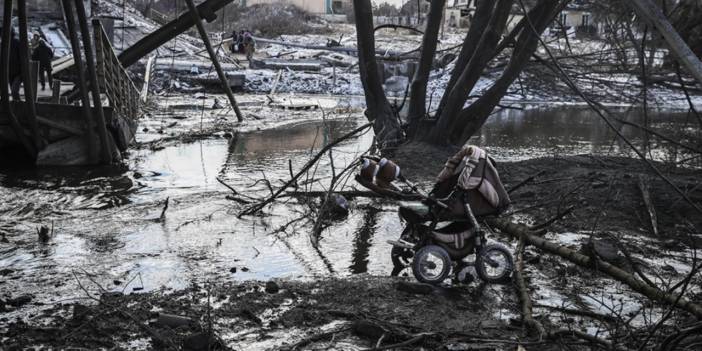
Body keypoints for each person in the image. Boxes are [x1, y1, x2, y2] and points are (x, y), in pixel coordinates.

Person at [9, 28, 22, 100]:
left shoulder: (17, 43)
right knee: (13, 91)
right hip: (9, 72)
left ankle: (20, 108)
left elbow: (22, 57)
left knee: (14, 91)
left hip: (18, 72)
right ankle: (16, 107)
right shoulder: (3, 44)